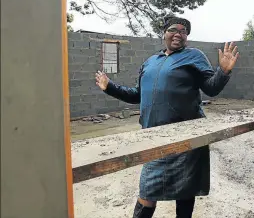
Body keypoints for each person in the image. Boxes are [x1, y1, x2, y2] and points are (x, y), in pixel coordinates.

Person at [95, 16, 239, 218]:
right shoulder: (150, 62)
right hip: (154, 139)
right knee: (147, 191)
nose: (179, 34)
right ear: (164, 33)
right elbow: (138, 95)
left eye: (184, 31)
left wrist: (223, 71)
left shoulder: (194, 56)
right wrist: (110, 87)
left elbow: (211, 88)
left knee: (185, 192)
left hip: (186, 139)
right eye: (174, 29)